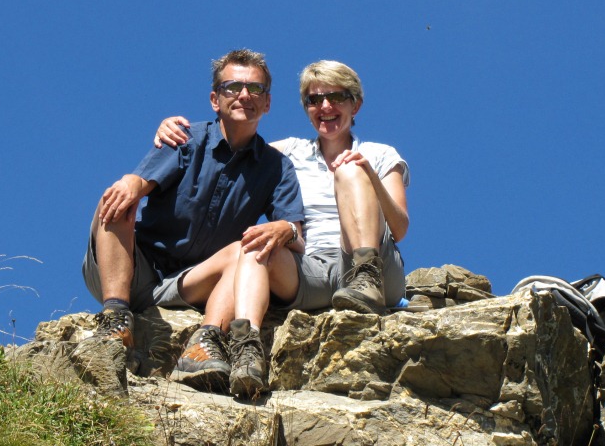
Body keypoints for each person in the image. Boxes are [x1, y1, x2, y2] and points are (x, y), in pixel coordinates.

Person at [75, 49, 304, 398]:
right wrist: (130, 182)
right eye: (233, 87)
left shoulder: (276, 167)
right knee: (119, 196)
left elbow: (295, 233)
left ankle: (205, 343)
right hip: (135, 268)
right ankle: (116, 319)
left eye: (255, 89)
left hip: (192, 282)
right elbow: (139, 183)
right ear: (215, 99)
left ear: (267, 102)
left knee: (245, 249)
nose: (244, 95)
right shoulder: (185, 139)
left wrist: (286, 230)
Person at [154, 59, 409, 320]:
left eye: (336, 97)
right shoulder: (290, 152)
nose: (325, 106)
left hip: (377, 271)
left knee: (349, 170)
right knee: (255, 247)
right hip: (312, 269)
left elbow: (399, 229)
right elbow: (237, 148)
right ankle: (245, 337)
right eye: (314, 100)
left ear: (355, 105)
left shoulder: (380, 154)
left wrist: (370, 178)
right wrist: (180, 133)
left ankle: (365, 277)